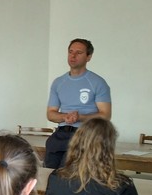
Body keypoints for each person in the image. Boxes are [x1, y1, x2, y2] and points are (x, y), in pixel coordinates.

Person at [45, 38, 111, 168]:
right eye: (70, 52)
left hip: (85, 135)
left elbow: (105, 115)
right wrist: (65, 117)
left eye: (79, 53)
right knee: (48, 173)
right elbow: (50, 114)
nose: (73, 56)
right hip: (61, 134)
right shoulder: (58, 82)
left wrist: (80, 117)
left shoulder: (98, 82)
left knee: (68, 174)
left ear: (88, 57)